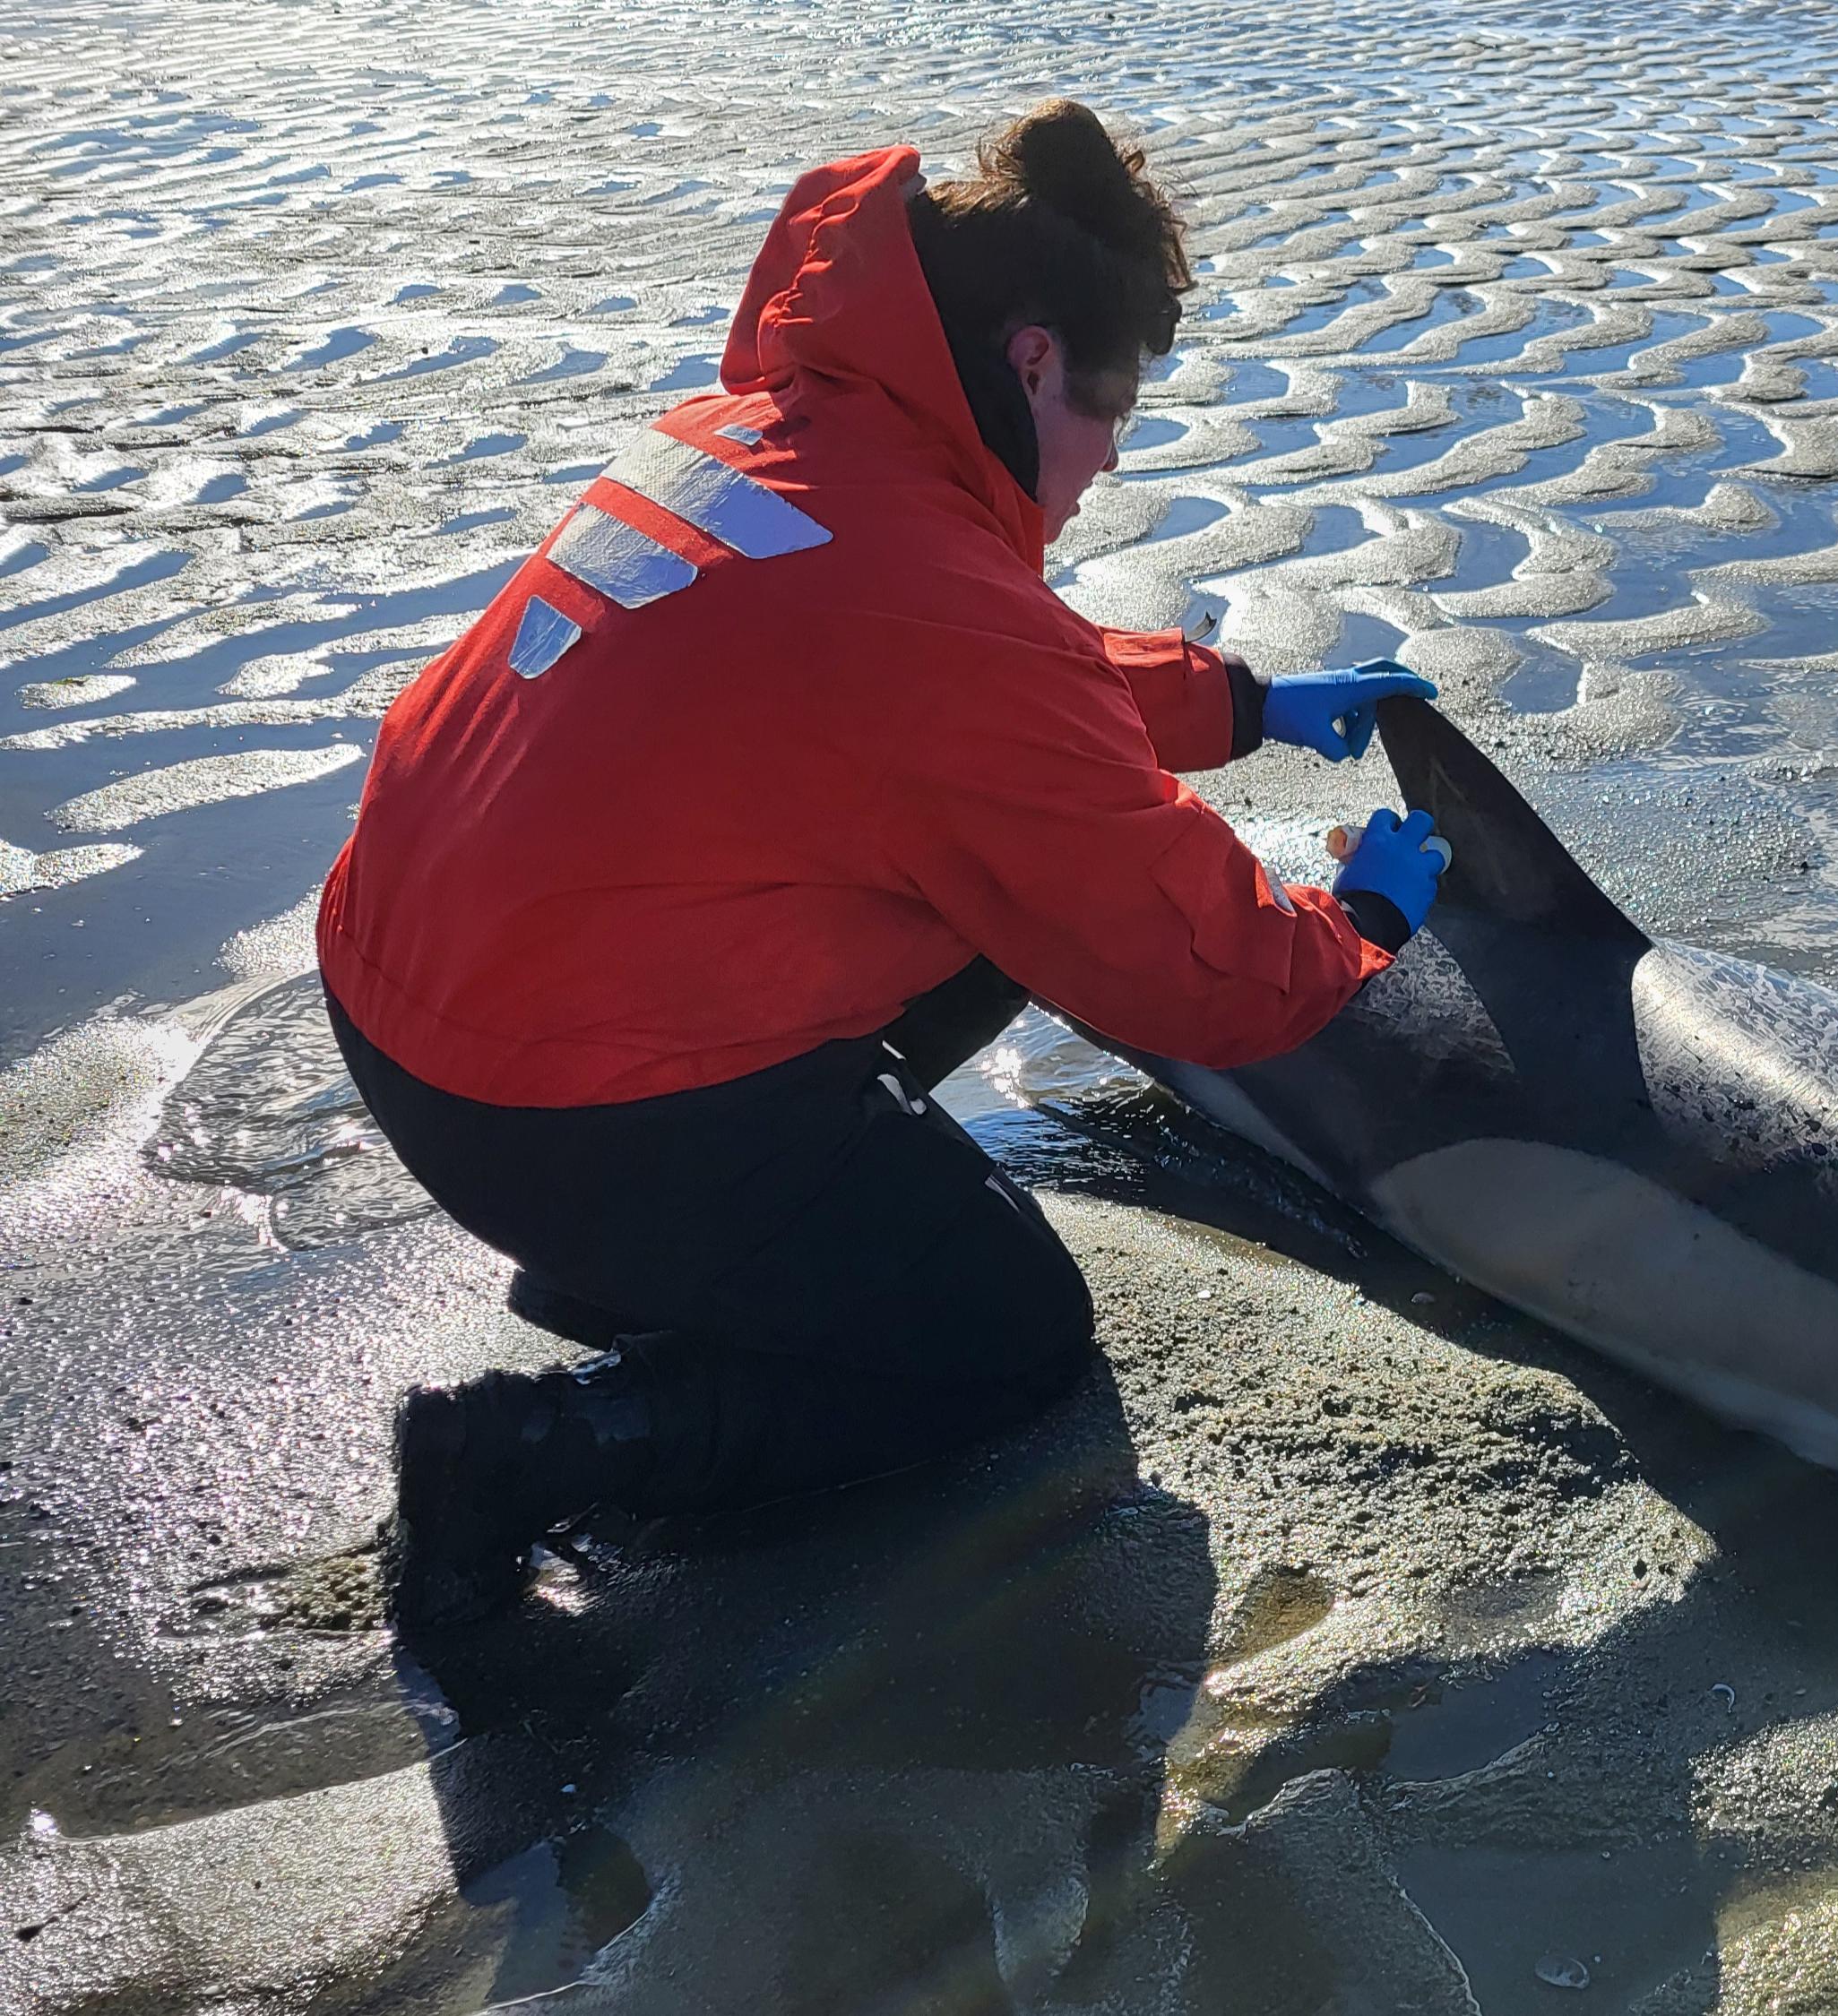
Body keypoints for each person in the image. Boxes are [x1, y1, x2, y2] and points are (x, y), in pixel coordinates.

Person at [315, 102, 1448, 1625]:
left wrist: (1238, 701)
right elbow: (1199, 963)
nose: (1111, 455)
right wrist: (1361, 919)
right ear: (1035, 359)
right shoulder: (930, 602)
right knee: (1012, 1341)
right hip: (543, 1099)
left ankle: (668, 1262)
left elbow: (957, 686)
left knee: (984, 892)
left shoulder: (785, 439)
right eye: (1115, 410)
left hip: (411, 1002)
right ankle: (538, 1448)